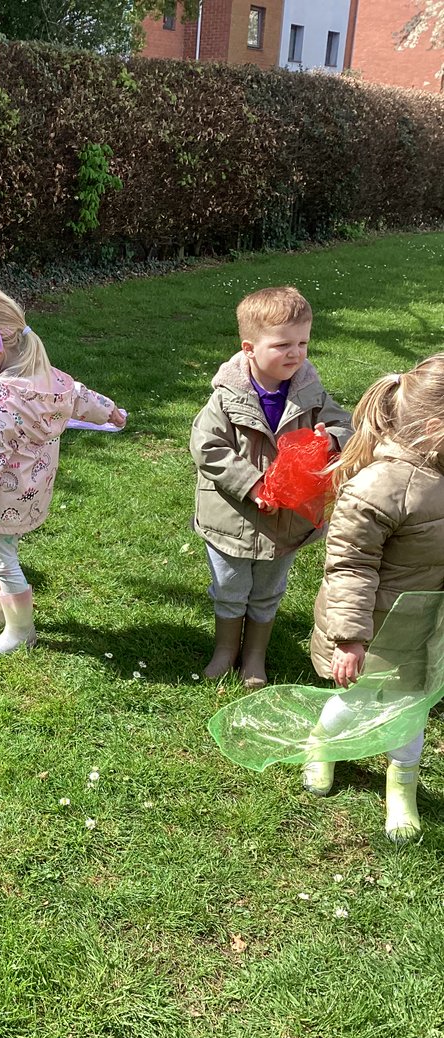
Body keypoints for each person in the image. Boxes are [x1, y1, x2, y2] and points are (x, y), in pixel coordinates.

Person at [303, 353, 444, 842]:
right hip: (374, 628)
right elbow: (349, 565)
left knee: (412, 707)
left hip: (425, 626)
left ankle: (401, 780)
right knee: (357, 700)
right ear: (432, 428)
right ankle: (323, 742)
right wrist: (349, 637)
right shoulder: (380, 487)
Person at [0, 282, 126, 654]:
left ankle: (20, 630)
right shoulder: (49, 378)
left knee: (1, 554)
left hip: (0, 497)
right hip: (33, 490)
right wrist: (110, 411)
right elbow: (80, 397)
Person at [190, 286, 353, 688]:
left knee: (267, 590)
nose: (295, 353)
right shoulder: (228, 397)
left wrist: (329, 439)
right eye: (282, 344)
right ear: (249, 348)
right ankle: (226, 650)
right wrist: (251, 483)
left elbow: (346, 427)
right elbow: (207, 446)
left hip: (287, 519)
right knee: (230, 586)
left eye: (303, 343)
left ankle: (255, 657)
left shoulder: (310, 391)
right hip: (233, 517)